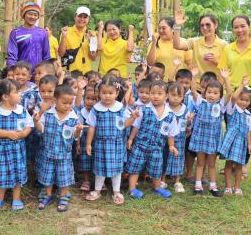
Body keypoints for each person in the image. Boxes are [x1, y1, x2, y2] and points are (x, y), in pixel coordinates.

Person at [218, 15, 251, 176]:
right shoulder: (228, 48)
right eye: (236, 27)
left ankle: (243, 163)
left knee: (246, 129)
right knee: (231, 129)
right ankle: (229, 163)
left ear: (249, 27)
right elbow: (222, 71)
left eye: (243, 26)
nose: (240, 30)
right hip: (232, 96)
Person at [34, 84, 84, 212]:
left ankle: (63, 196)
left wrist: (78, 131)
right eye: (64, 103)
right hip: (48, 152)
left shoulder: (73, 117)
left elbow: (75, 137)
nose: (68, 106)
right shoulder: (48, 114)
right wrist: (36, 122)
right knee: (48, 175)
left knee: (64, 176)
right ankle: (48, 194)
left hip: (64, 154)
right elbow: (41, 130)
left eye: (70, 103)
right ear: (55, 101)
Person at [126, 80, 178, 199]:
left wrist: (171, 146)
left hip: (157, 148)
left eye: (159, 94)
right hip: (140, 145)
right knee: (135, 167)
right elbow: (136, 126)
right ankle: (132, 188)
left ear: (166, 96)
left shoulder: (170, 114)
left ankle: (157, 187)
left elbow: (171, 133)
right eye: (153, 93)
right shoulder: (144, 110)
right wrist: (130, 139)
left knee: (156, 168)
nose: (155, 96)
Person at [85, 76, 133, 205]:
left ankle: (116, 191)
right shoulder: (96, 109)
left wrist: (133, 118)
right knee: (99, 167)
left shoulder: (121, 108)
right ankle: (97, 190)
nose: (107, 96)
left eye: (110, 93)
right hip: (100, 144)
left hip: (117, 144)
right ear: (99, 93)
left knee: (117, 169)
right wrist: (89, 143)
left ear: (117, 93)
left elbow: (126, 124)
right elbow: (91, 127)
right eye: (104, 93)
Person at [0, 79, 34, 211]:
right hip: (1, 151)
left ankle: (16, 199)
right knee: (1, 173)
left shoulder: (21, 110)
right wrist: (7, 134)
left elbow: (29, 125)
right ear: (5, 96)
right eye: (16, 92)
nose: (20, 94)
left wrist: (25, 133)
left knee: (17, 172)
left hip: (17, 151)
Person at [189, 68, 232, 197]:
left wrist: (226, 78)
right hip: (201, 137)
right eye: (209, 92)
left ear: (220, 95)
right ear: (204, 92)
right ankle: (198, 185)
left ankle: (213, 186)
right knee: (201, 162)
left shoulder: (221, 105)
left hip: (213, 138)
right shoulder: (200, 102)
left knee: (212, 164)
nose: (211, 95)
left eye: (215, 93)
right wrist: (193, 76)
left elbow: (230, 92)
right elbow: (192, 90)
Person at [173, 9, 227, 87]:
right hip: (197, 87)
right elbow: (176, 45)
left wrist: (216, 61)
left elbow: (227, 68)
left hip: (215, 89)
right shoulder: (195, 41)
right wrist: (177, 25)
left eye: (208, 25)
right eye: (202, 25)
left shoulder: (224, 45)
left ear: (215, 25)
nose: (205, 28)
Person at [218, 77, 251, 195]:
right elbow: (233, 97)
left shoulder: (248, 114)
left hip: (242, 142)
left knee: (239, 165)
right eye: (241, 99)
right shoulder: (232, 108)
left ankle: (237, 186)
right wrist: (242, 85)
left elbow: (249, 130)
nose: (243, 102)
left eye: (247, 100)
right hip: (232, 140)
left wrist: (249, 144)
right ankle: (228, 186)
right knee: (229, 163)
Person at [164, 82, 192, 193]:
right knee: (165, 157)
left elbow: (188, 127)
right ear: (167, 95)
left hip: (180, 139)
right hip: (165, 138)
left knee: (178, 159)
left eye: (179, 96)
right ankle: (162, 179)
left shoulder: (185, 109)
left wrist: (189, 120)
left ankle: (177, 181)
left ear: (183, 97)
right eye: (173, 95)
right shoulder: (164, 107)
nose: (176, 98)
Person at [146, 17, 192, 82]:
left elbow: (189, 65)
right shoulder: (154, 43)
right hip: (159, 84)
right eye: (159, 28)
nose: (161, 31)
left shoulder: (183, 43)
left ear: (173, 29)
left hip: (178, 84)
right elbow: (150, 63)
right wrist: (154, 43)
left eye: (164, 28)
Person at [7, 2, 50, 70]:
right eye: (30, 14)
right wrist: (12, 70)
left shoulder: (43, 33)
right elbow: (12, 56)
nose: (32, 17)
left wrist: (46, 71)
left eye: (35, 15)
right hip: (21, 73)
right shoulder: (15, 33)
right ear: (24, 15)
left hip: (38, 73)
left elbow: (46, 56)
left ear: (38, 17)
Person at [58, 6, 97, 74]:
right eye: (80, 16)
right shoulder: (66, 31)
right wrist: (64, 36)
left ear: (89, 19)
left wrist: (91, 42)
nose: (82, 19)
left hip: (85, 72)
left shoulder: (92, 34)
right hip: (69, 72)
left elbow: (93, 58)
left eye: (85, 17)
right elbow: (61, 54)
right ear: (75, 17)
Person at [75, 84, 98, 192]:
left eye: (94, 99)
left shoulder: (99, 112)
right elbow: (78, 130)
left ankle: (98, 181)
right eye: (88, 98)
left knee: (97, 160)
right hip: (84, 140)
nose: (90, 101)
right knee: (85, 160)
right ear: (84, 99)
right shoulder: (81, 113)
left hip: (97, 141)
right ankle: (86, 180)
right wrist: (78, 144)